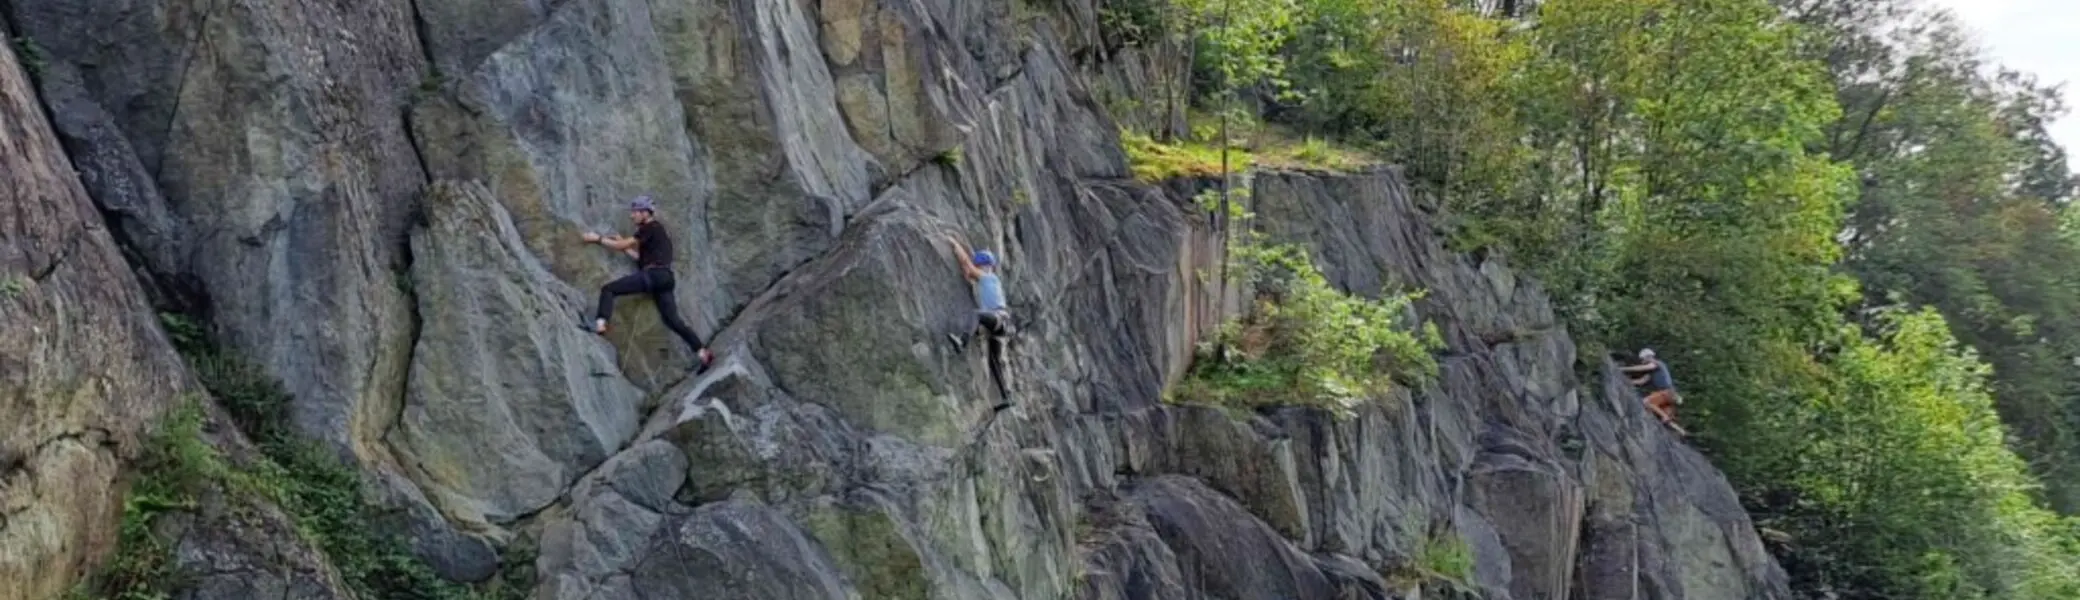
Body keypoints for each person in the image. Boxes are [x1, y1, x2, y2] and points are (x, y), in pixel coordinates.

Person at [580, 196, 712, 370]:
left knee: (608, 290)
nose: (632, 216)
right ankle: (703, 353)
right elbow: (639, 258)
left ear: (645, 213)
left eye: (635, 212)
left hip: (654, 275)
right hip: (665, 278)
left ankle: (600, 324)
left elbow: (621, 246)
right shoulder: (656, 233)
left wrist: (597, 238)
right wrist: (624, 245)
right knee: (673, 321)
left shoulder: (650, 227)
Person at [945, 234, 1013, 352]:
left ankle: (962, 342)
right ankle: (978, 333)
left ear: (984, 266)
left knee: (975, 315)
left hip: (998, 318)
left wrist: (955, 244)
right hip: (998, 322)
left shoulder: (988, 277)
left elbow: (967, 264)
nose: (976, 269)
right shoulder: (989, 280)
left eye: (978, 266)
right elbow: (968, 271)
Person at [1621, 348, 1681, 432]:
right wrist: (1624, 380)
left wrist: (1623, 369)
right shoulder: (1652, 372)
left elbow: (1641, 368)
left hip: (1667, 393)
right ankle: (1681, 431)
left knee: (1646, 402)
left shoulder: (1656, 363)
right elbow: (1641, 381)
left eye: (1642, 359)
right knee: (1665, 420)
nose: (1642, 361)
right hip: (1669, 395)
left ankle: (1665, 416)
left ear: (1648, 357)